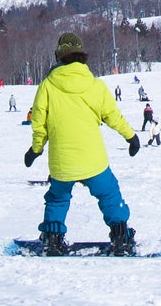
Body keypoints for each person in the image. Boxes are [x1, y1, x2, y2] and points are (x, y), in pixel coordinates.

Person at [25, 33, 142, 257]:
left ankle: (52, 239)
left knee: (57, 199)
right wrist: (131, 137)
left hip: (62, 163)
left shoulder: (47, 86)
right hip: (93, 160)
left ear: (59, 55)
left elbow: (39, 124)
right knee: (109, 195)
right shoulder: (95, 85)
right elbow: (112, 115)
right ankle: (121, 237)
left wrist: (35, 150)